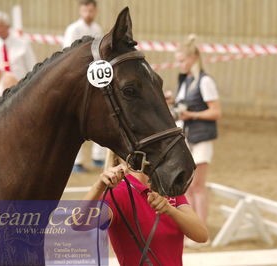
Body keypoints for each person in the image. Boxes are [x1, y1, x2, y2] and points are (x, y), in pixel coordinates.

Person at [73, 158, 209, 265]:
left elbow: (201, 236)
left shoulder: (167, 185)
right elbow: (79, 223)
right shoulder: (119, 193)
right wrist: (98, 187)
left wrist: (170, 210)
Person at [167, 34, 222, 246]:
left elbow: (216, 112)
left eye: (181, 60)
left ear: (193, 58)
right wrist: (173, 102)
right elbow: (183, 108)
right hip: (188, 139)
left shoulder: (205, 81)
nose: (179, 64)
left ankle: (202, 231)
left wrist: (193, 115)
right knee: (188, 186)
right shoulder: (186, 81)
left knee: (198, 186)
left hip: (201, 139)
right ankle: (193, 229)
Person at [63, 0, 105, 172]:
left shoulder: (98, 29)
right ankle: (76, 161)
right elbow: (68, 54)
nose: (88, 13)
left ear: (95, 11)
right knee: (76, 119)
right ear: (81, 11)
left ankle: (98, 157)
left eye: (91, 10)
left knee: (99, 115)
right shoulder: (73, 30)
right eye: (85, 10)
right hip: (78, 80)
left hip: (94, 79)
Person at [0, 11, 36, 81]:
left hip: (21, 85)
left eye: (0, 26)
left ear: (8, 26)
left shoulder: (23, 43)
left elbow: (32, 65)